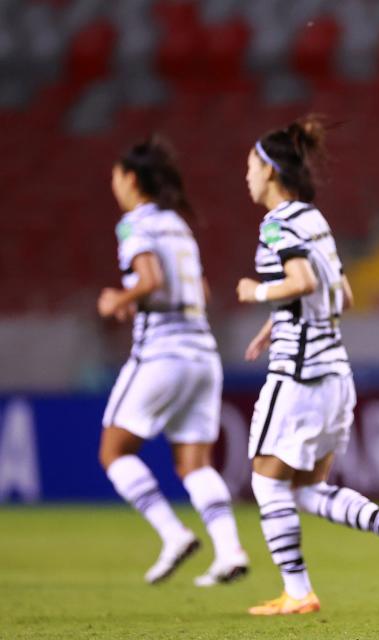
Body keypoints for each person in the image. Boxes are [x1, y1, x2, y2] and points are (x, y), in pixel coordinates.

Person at [237, 115, 379, 616]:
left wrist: (256, 292)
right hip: (335, 374)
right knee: (305, 489)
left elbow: (300, 281)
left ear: (272, 170)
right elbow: (339, 295)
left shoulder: (277, 224)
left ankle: (298, 592)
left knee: (265, 481)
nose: (247, 175)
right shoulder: (314, 220)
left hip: (298, 377)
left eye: (252, 165)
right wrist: (280, 320)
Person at [98, 136, 249, 586]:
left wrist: (118, 299)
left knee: (114, 452)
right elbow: (198, 290)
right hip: (202, 353)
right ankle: (229, 551)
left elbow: (151, 278)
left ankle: (172, 533)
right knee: (194, 464)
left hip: (161, 353)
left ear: (129, 179)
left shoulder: (135, 224)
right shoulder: (178, 225)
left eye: (115, 177)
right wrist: (142, 300)